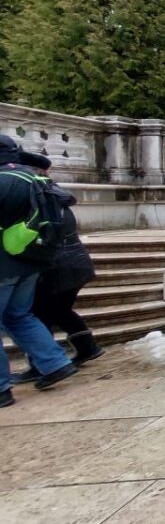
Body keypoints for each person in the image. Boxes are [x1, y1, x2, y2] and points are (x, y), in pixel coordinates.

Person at [8, 153, 101, 384]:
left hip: (57, 266)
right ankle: (86, 347)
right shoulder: (54, 194)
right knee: (60, 311)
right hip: (76, 263)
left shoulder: (37, 195)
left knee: (39, 314)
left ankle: (44, 365)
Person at [0, 136, 76, 406]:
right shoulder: (34, 178)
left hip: (4, 263)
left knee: (14, 316)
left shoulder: (2, 181)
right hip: (32, 260)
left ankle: (1, 389)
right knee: (18, 315)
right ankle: (54, 363)